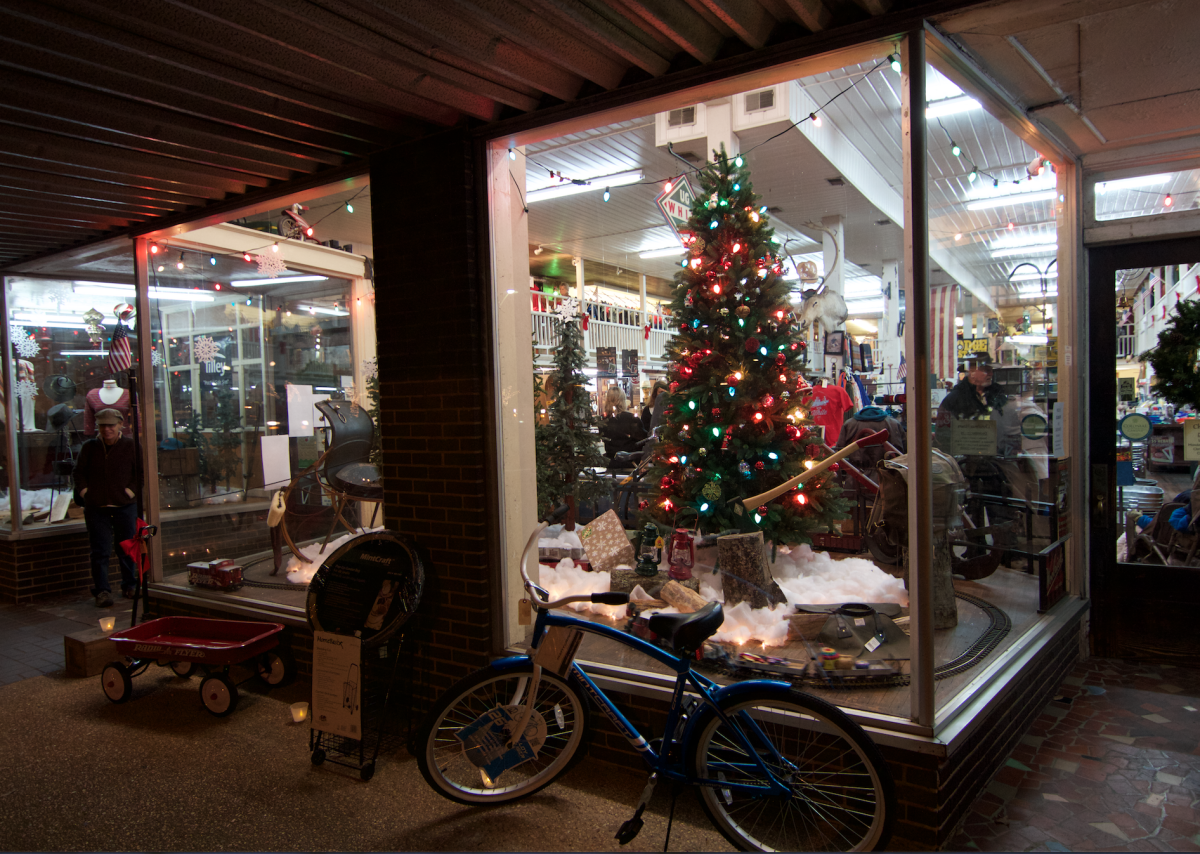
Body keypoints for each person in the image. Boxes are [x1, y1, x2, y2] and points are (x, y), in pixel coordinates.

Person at [73, 408, 139, 607]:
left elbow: (140, 474)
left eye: (111, 425)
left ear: (120, 425)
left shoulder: (131, 446)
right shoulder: (89, 447)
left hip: (124, 506)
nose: (107, 429)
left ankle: (129, 585)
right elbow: (79, 473)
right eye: (103, 426)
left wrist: (129, 492)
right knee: (100, 550)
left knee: (126, 548)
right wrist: (86, 493)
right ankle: (102, 590)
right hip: (96, 507)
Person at [599, 387, 645, 466]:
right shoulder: (632, 419)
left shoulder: (603, 420)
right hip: (631, 462)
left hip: (611, 461)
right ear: (623, 400)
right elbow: (643, 439)